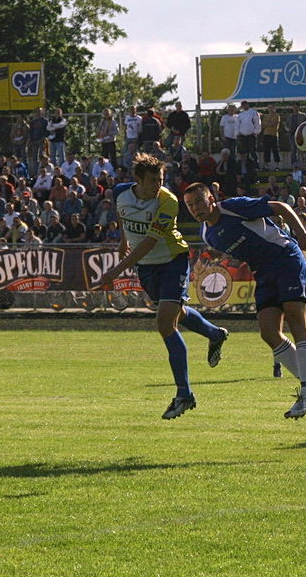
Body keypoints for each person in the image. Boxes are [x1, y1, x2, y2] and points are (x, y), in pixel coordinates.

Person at [93, 153, 229, 420]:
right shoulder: (121, 191)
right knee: (176, 314)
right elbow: (122, 216)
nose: (159, 184)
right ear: (138, 179)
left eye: (162, 179)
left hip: (172, 261)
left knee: (165, 323)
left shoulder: (168, 201)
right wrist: (122, 240)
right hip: (147, 268)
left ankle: (184, 394)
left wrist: (115, 271)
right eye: (154, 179)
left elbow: (148, 243)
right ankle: (215, 334)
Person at [182, 182, 306, 419]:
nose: (196, 208)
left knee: (296, 320)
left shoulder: (234, 207)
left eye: (199, 201)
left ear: (211, 199)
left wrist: (300, 233)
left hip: (286, 258)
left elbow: (280, 207)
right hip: (263, 272)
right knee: (269, 332)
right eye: (190, 205)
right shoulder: (207, 235)